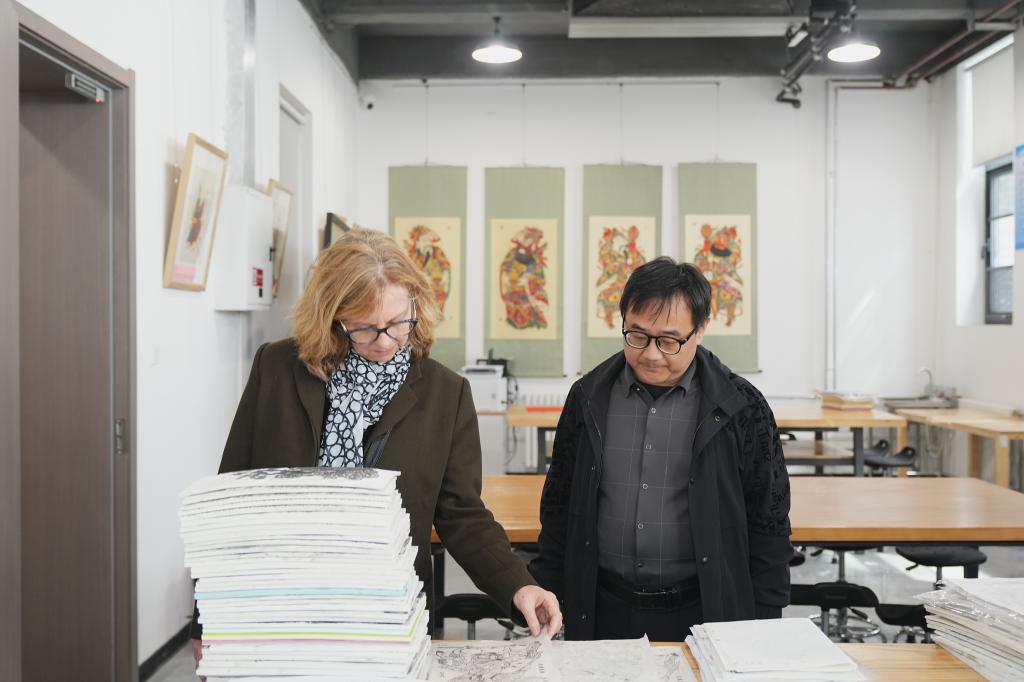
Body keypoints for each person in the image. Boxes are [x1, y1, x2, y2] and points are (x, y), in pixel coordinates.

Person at [191, 229, 561, 671]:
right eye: (365, 328)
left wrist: (519, 585)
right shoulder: (277, 368)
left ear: (416, 306)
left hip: (388, 619)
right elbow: (233, 501)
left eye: (399, 322)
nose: (385, 341)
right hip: (279, 610)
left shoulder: (446, 394)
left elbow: (462, 515)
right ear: (330, 317)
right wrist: (206, 618)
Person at [529, 256, 791, 641]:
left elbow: (769, 522)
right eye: (637, 335)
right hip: (603, 610)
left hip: (704, 612)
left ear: (700, 330)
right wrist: (548, 591)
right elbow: (558, 508)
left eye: (669, 341)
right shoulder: (587, 398)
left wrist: (766, 622)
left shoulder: (742, 407)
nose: (651, 354)